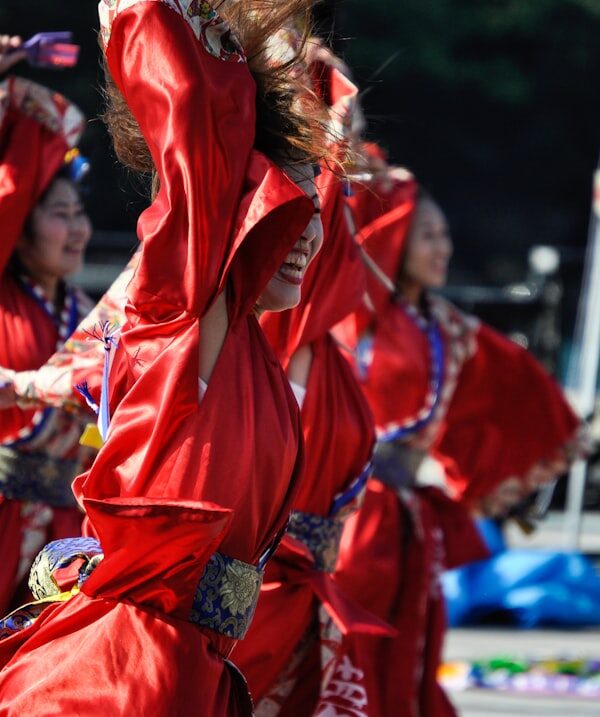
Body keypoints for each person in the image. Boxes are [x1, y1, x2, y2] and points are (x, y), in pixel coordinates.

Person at [0, 1, 328, 714]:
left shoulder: (252, 357)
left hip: (189, 668)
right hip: (123, 671)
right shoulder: (182, 316)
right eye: (287, 208)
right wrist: (161, 23)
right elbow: (199, 167)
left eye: (318, 212)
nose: (306, 230)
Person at [317, 165, 588, 717]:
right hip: (356, 519)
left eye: (445, 235)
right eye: (428, 235)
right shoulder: (362, 316)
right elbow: (341, 235)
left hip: (411, 521)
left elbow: (513, 379)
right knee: (354, 650)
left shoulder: (447, 327)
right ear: (396, 235)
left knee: (414, 646)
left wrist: (569, 434)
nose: (443, 247)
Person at [232, 55, 392, 715]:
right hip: (252, 612)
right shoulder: (254, 336)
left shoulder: (330, 353)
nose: (329, 219)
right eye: (325, 194)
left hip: (310, 595)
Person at [0, 69, 92, 616]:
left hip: (61, 534)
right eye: (60, 214)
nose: (78, 228)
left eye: (80, 213)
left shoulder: (89, 313)